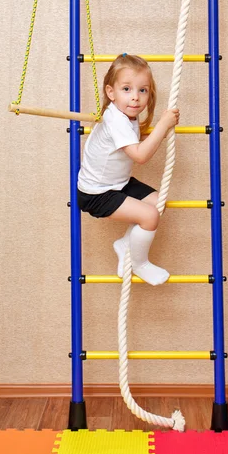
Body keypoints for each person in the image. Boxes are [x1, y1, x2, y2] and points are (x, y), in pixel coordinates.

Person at [77, 53, 179, 286]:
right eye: (126, 89)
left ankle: (125, 244)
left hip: (118, 183)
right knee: (150, 216)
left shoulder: (127, 115)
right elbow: (141, 156)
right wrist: (163, 125)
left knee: (158, 203)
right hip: (97, 193)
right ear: (111, 93)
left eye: (142, 90)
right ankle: (139, 263)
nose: (135, 98)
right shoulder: (116, 120)